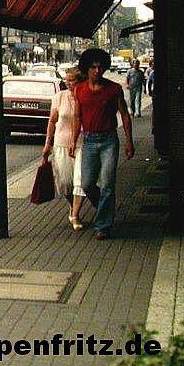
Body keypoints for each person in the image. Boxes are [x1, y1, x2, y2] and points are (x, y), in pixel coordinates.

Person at [72, 48, 134, 240]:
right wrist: (73, 141)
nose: (97, 71)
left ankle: (103, 225)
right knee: (87, 184)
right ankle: (105, 208)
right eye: (93, 67)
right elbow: (77, 116)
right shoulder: (80, 90)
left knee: (107, 183)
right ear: (86, 69)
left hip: (109, 140)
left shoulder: (113, 89)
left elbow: (124, 114)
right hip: (89, 141)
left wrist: (129, 141)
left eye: (100, 67)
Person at [42, 67, 86, 230]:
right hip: (61, 143)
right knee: (65, 182)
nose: (68, 83)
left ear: (80, 81)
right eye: (66, 80)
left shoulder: (85, 97)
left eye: (72, 80)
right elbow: (52, 121)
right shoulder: (59, 97)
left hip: (82, 143)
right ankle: (73, 206)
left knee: (80, 180)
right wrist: (47, 143)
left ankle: (75, 215)